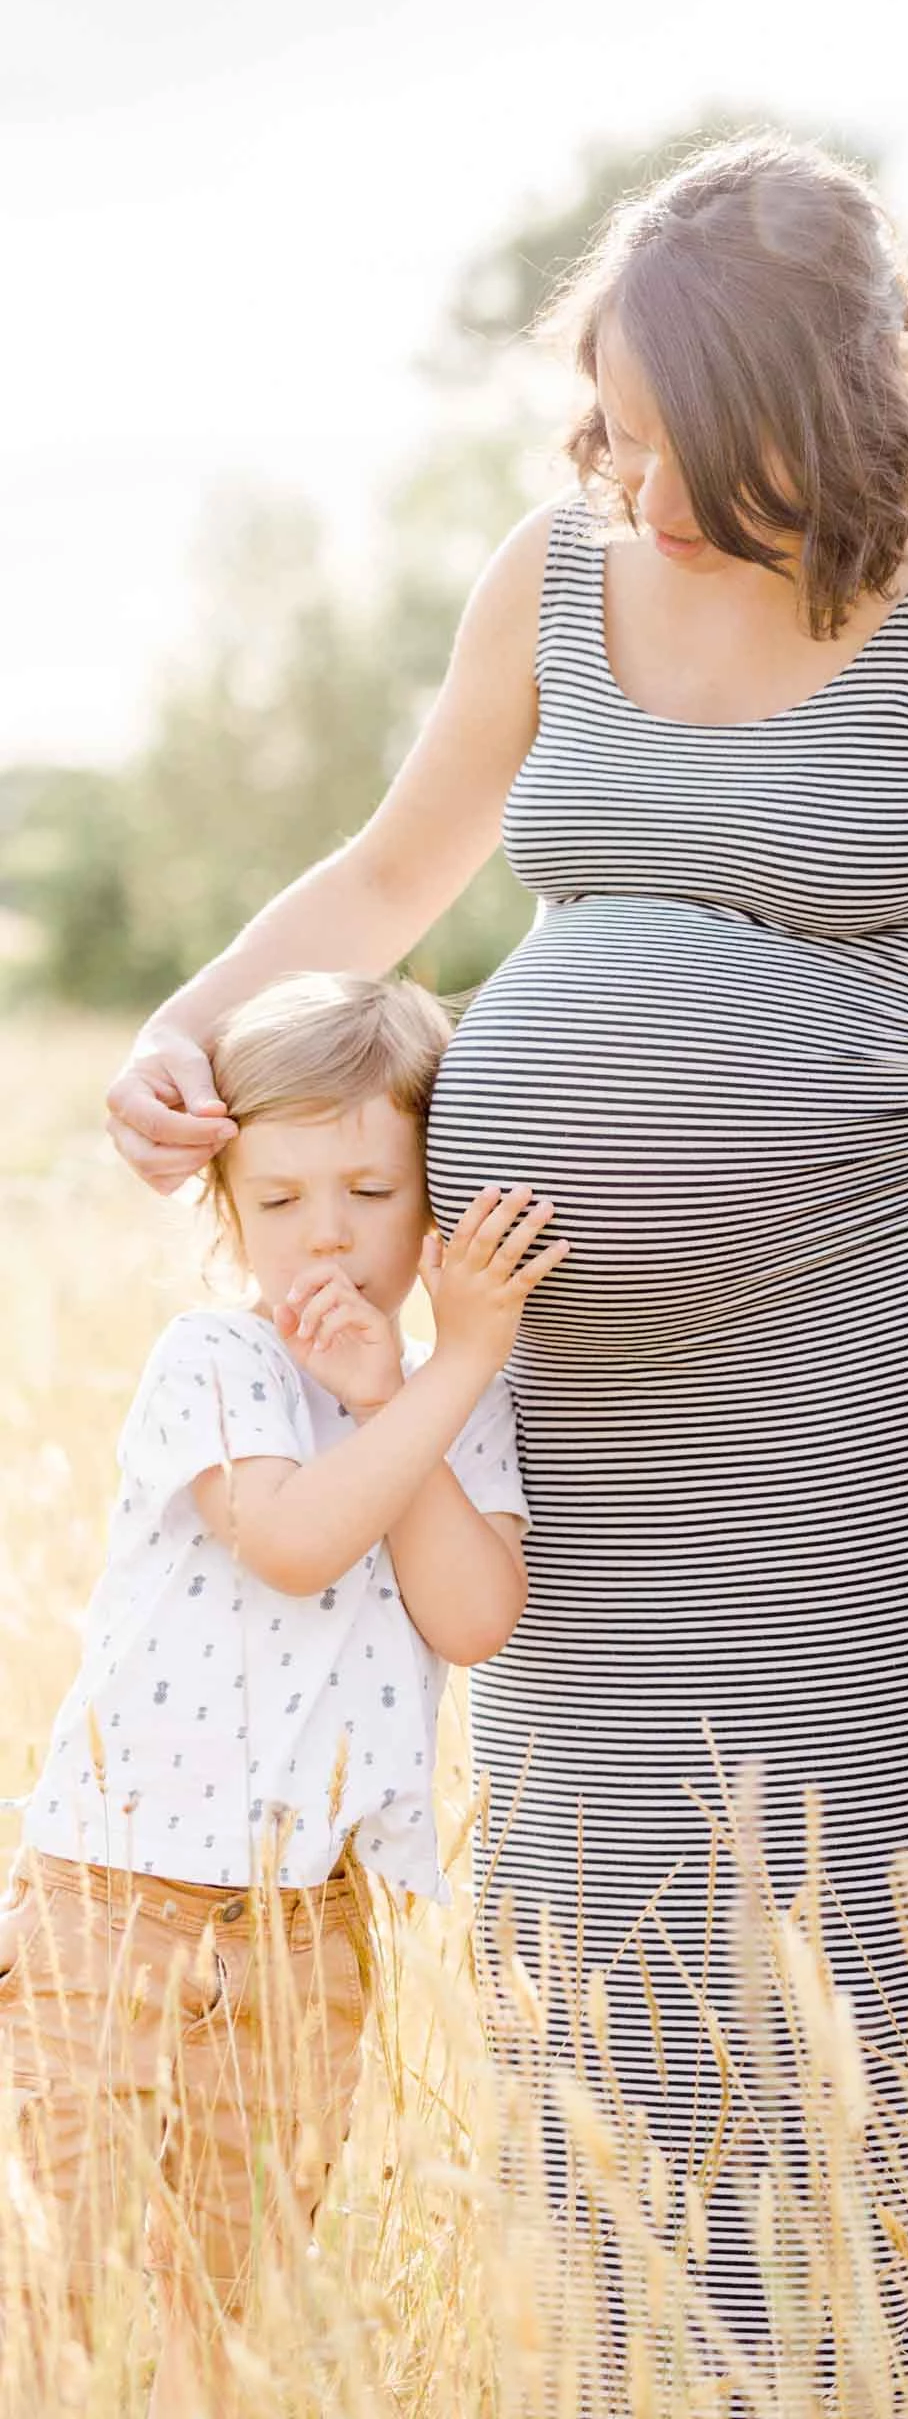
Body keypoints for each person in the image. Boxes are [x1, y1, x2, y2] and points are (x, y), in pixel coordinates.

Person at [101, 136, 908, 2372]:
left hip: (841, 1341)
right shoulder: (556, 574)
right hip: (557, 1379)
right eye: (609, 429)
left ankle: (819, 2361)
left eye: (691, 445)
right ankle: (626, 2364)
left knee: (821, 1893)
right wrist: (188, 1025)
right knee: (586, 1896)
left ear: (833, 409)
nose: (642, 486)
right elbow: (398, 864)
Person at [2, 971, 544, 2419]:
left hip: (308, 1934)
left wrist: (416, 1383)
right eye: (284, 1196)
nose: (327, 1236)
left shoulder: (448, 1401)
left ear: (433, 1199)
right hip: (109, 1911)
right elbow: (299, 1541)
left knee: (230, 2312)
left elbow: (476, 1614)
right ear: (227, 1213)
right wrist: (444, 1371)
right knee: (55, 2299)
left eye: (370, 1189)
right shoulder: (220, 1359)